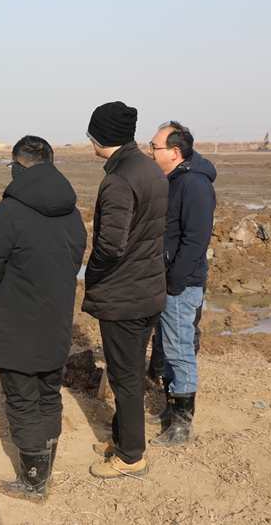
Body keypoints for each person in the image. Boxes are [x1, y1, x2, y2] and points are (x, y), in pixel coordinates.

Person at [0, 136, 86, 500]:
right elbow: (73, 262)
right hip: (56, 321)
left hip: (17, 323)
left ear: (18, 167)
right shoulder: (72, 211)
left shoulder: (8, 210)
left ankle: (34, 483)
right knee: (48, 394)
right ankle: (44, 471)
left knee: (22, 399)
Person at [82, 102, 168, 479]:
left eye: (91, 134)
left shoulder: (119, 179)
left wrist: (93, 275)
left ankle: (131, 457)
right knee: (128, 371)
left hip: (125, 296)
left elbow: (110, 247)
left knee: (125, 378)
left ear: (103, 137)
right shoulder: (148, 168)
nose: (89, 141)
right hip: (147, 288)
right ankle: (121, 438)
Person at [145, 121, 216, 447]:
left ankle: (183, 427)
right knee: (167, 348)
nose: (150, 151)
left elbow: (196, 240)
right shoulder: (174, 180)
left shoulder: (194, 184)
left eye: (155, 146)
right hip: (167, 282)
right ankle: (171, 411)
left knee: (179, 351)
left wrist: (174, 282)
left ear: (174, 152)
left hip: (180, 285)